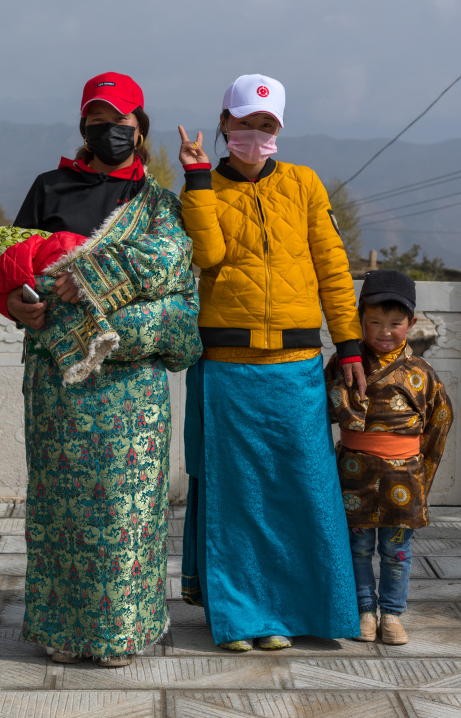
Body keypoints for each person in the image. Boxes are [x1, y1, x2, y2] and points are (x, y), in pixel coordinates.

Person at [0, 72, 202, 666]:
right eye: (99, 121)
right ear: (84, 125)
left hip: (129, 387)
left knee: (124, 507)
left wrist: (93, 288)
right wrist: (16, 302)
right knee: (58, 505)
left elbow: (174, 283)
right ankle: (61, 630)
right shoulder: (49, 187)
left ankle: (121, 635)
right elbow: (12, 261)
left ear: (141, 128)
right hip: (57, 382)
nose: (112, 132)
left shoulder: (155, 204)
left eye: (123, 122)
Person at [177, 74, 365, 651]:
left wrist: (350, 343)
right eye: (244, 123)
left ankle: (297, 610)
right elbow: (206, 255)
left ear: (278, 129)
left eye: (266, 125)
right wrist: (195, 177)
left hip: (297, 362)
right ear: (225, 123)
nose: (255, 134)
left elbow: (333, 267)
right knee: (237, 497)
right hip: (228, 363)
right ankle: (242, 616)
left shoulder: (305, 186)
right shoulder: (204, 186)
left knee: (301, 489)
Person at [325, 269, 453, 645]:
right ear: (360, 319)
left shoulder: (423, 373)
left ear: (411, 323)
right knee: (358, 548)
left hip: (404, 478)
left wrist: (421, 480)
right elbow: (321, 413)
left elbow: (439, 425)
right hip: (354, 474)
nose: (384, 331)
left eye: (395, 323)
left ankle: (393, 615)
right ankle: (365, 610)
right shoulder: (343, 363)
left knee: (396, 551)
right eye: (374, 322)